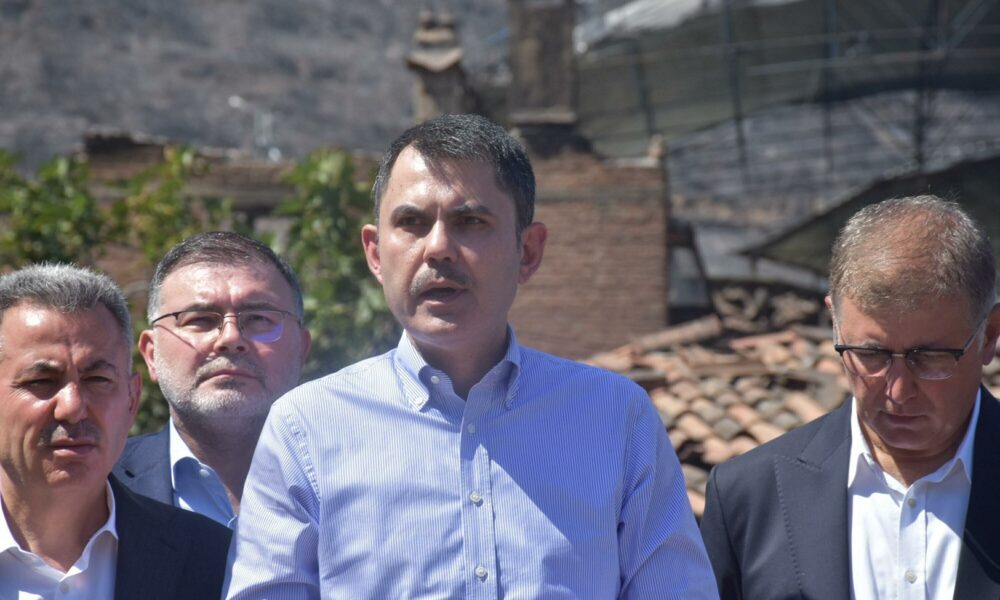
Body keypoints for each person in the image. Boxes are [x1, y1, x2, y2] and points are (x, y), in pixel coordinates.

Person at [226, 114, 716, 598]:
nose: (438, 248)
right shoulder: (306, 429)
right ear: (375, 253)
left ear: (528, 251)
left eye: (470, 222)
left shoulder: (616, 419)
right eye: (412, 223)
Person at [700, 196, 1000, 599]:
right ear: (835, 325)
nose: (898, 391)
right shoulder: (749, 497)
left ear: (990, 335)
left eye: (929, 357)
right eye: (870, 355)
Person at [0, 263, 230, 599]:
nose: (72, 407)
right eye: (41, 381)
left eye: (97, 380)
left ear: (132, 399)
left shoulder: (213, 561)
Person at [113, 232, 311, 528]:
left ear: (301, 350)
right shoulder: (96, 487)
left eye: (259, 319)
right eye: (200, 320)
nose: (230, 338)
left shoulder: (362, 476)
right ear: (152, 355)